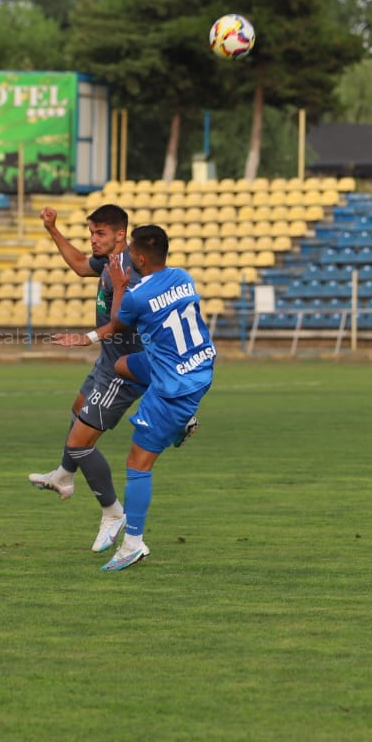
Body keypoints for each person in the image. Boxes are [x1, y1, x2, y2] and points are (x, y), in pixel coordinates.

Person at [51, 224, 214, 572]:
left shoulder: (138, 295)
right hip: (199, 364)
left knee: (137, 464)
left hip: (175, 387)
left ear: (139, 257)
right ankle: (179, 421)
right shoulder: (183, 277)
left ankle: (133, 543)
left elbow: (117, 321)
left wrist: (120, 287)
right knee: (123, 366)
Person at [27, 204, 149, 552]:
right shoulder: (109, 263)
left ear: (120, 235)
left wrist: (87, 336)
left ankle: (113, 512)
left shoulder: (129, 270)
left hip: (122, 371)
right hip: (107, 362)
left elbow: (123, 321)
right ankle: (64, 477)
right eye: (91, 233)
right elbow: (81, 265)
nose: (94, 240)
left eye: (100, 234)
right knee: (77, 408)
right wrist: (53, 230)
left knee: (80, 443)